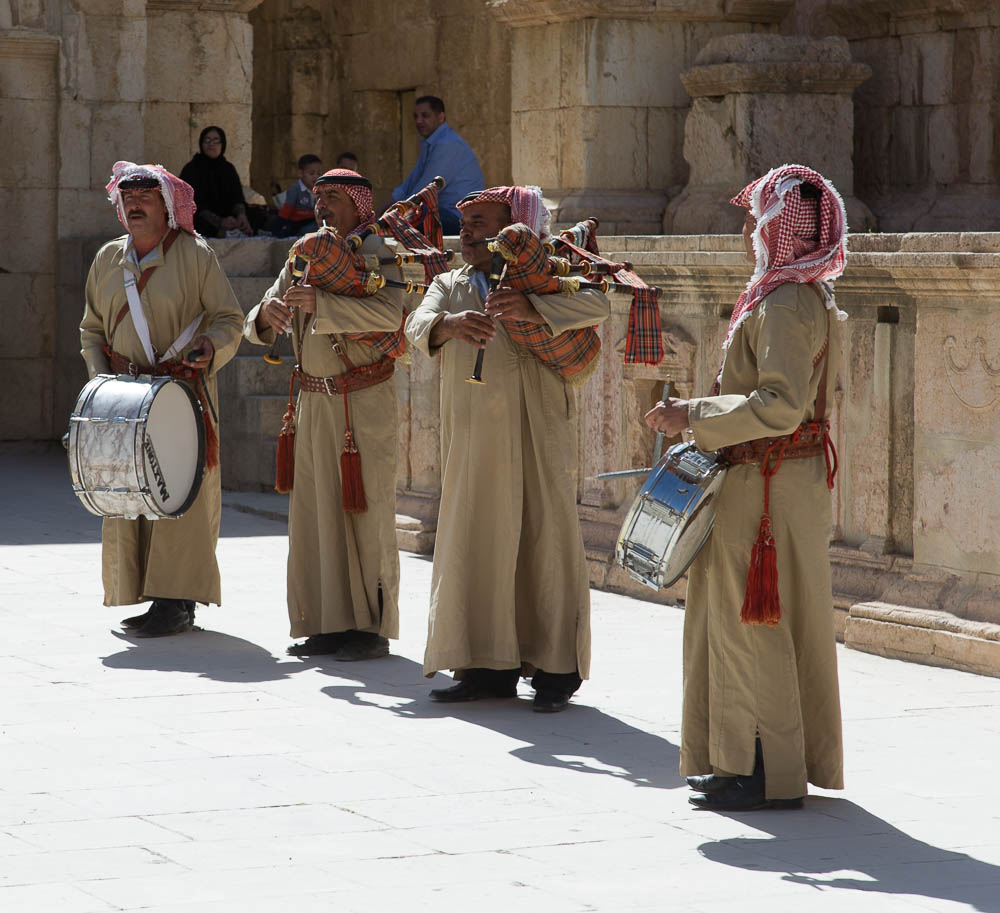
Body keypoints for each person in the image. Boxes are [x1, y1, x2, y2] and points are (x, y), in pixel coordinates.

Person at [645, 164, 848, 811]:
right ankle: (742, 760)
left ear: (776, 227)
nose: (743, 229)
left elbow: (781, 403)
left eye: (753, 217)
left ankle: (763, 770)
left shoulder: (788, 303)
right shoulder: (787, 295)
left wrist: (693, 416)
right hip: (768, 477)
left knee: (755, 620)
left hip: (768, 482)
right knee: (752, 620)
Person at [405, 186, 609, 712]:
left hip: (539, 434)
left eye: (479, 222)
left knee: (547, 542)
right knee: (478, 542)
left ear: (512, 225)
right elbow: (414, 325)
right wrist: (448, 325)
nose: (466, 231)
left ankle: (556, 671)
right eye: (464, 221)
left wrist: (533, 305)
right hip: (474, 441)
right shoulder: (450, 283)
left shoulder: (549, 272)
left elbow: (598, 302)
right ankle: (484, 668)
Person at [244, 169, 405, 661]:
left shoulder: (381, 251)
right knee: (314, 516)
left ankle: (369, 629)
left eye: (335, 198)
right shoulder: (305, 252)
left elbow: (393, 315)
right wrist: (265, 316)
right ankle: (327, 624)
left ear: (360, 204)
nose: (324, 206)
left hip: (362, 403)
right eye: (319, 198)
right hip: (310, 403)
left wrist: (325, 303)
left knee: (366, 513)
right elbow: (265, 311)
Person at [80, 162, 244, 636]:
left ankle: (178, 601)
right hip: (123, 400)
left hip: (181, 395)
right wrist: (100, 385)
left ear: (167, 206)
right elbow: (91, 330)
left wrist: (211, 345)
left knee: (178, 492)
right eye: (127, 199)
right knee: (130, 492)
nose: (133, 205)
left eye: (145, 198)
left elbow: (229, 319)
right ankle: (145, 593)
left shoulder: (195, 255)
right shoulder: (108, 259)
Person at [390, 96, 484, 235]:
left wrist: (393, 214)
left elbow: (423, 193)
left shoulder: (448, 144)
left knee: (407, 220)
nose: (419, 121)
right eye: (416, 116)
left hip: (460, 218)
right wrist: (384, 210)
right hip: (444, 213)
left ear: (441, 117)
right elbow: (409, 185)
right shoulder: (431, 143)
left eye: (425, 116)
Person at [180, 125, 252, 238]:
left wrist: (241, 215)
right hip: (204, 218)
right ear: (201, 143)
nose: (211, 144)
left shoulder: (228, 169)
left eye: (215, 140)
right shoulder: (192, 169)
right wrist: (220, 222)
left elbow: (237, 197)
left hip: (229, 218)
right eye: (207, 140)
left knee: (255, 214)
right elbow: (192, 204)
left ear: (222, 144)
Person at [270, 154, 323, 238]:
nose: (316, 176)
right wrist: (276, 229)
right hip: (296, 224)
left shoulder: (320, 190)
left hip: (312, 222)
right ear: (301, 173)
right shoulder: (295, 190)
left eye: (319, 173)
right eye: (312, 173)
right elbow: (286, 211)